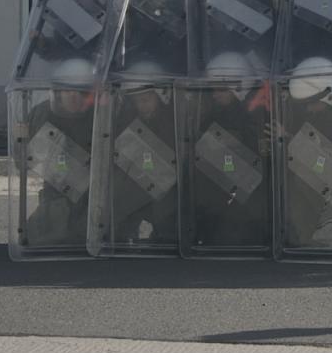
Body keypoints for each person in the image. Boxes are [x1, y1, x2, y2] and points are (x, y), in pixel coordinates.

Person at [186, 51, 272, 250]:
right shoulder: (212, 114)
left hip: (249, 199)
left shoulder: (256, 117)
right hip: (219, 187)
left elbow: (261, 164)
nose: (214, 95)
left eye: (221, 90)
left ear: (240, 88)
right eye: (213, 90)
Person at [16, 57, 97, 249]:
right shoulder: (42, 114)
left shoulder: (100, 115)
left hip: (96, 192)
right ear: (58, 93)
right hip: (56, 191)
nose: (73, 97)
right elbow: (22, 156)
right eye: (67, 91)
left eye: (80, 93)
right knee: (40, 236)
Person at [282, 57, 332, 251]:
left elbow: (327, 168)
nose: (308, 108)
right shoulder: (314, 119)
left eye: (313, 102)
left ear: (330, 95)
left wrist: (288, 139)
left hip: (327, 226)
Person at [107, 65, 178, 249]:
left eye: (148, 98)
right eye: (138, 100)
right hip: (133, 187)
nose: (143, 104)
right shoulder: (124, 123)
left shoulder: (175, 123)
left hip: (166, 190)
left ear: (161, 96)